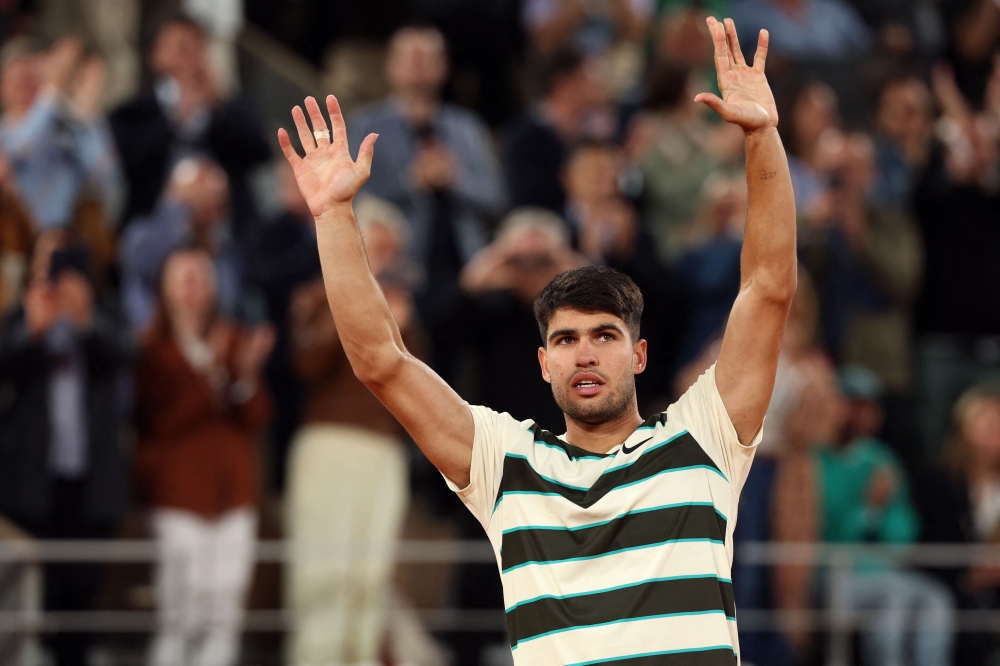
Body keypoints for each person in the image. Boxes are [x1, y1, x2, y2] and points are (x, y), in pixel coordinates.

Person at [277, 14, 795, 664]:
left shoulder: (703, 439)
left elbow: (768, 288)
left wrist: (762, 138)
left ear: (639, 355)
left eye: (604, 335)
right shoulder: (509, 465)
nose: (586, 351)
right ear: (545, 364)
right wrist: (333, 215)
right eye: (567, 339)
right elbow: (381, 360)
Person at [284, 197, 417, 666]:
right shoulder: (316, 296)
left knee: (371, 572)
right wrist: (357, 302)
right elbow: (308, 363)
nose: (384, 261)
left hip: (384, 448)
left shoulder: (403, 307)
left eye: (391, 251)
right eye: (375, 248)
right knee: (324, 569)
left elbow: (423, 391)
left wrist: (398, 330)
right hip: (330, 442)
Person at [0, 231, 134, 666]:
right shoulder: (18, 315)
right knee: (30, 601)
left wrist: (85, 320)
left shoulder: (104, 312)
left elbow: (127, 354)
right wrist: (32, 331)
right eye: (46, 261)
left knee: (80, 604)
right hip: (31, 487)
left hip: (91, 487)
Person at [134, 248, 273, 666]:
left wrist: (245, 375)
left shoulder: (233, 340)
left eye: (201, 277)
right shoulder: (152, 350)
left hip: (232, 494)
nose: (193, 287)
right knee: (181, 614)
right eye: (184, 278)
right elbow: (160, 421)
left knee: (224, 613)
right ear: (165, 288)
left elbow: (256, 417)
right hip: (179, 496)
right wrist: (212, 373)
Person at [814, 365, 954, 666]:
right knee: (894, 602)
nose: (862, 415)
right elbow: (827, 535)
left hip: (884, 570)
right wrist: (869, 508)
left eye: (869, 407)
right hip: (833, 573)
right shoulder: (815, 461)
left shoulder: (882, 460)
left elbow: (903, 533)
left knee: (935, 600)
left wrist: (882, 517)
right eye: (854, 405)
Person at [109, 13, 271, 234]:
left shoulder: (231, 107)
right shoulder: (133, 113)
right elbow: (128, 165)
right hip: (154, 227)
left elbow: (260, 153)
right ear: (155, 55)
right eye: (181, 48)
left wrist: (219, 104)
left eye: (198, 46)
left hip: (226, 232)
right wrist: (178, 115)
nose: (190, 58)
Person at [0, 36, 122, 233]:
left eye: (31, 80)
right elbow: (21, 148)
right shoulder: (6, 133)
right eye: (17, 81)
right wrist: (51, 92)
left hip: (65, 233)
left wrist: (87, 112)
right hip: (14, 235)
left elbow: (105, 174)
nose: (24, 88)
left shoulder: (66, 124)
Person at [119, 157, 246, 334]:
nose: (214, 215)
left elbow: (230, 302)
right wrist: (180, 212)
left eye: (219, 206)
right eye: (204, 206)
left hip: (211, 337)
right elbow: (138, 285)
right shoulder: (143, 236)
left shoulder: (223, 245)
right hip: (160, 337)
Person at [502, 49, 610, 214]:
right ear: (563, 84)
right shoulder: (523, 137)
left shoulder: (596, 132)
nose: (596, 84)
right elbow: (527, 197)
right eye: (586, 78)